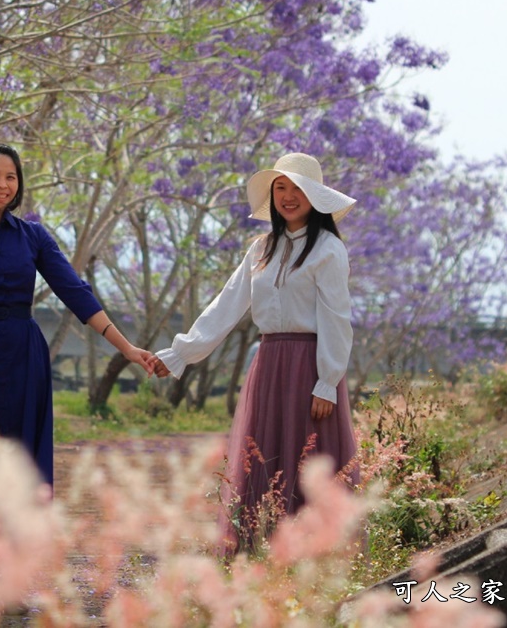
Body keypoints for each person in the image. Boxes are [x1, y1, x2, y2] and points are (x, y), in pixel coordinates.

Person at [0, 143, 155, 569]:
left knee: (19, 465)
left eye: (11, 177)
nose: (2, 185)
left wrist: (126, 347)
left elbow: (76, 293)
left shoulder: (33, 237)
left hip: (23, 361)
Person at [151, 152, 360, 554]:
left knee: (307, 458)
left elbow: (337, 318)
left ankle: (313, 552)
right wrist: (179, 355)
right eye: (280, 187)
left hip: (310, 365)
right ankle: (260, 546)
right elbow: (225, 306)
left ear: (315, 196)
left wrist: (327, 381)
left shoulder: (329, 250)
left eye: (297, 188)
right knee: (266, 454)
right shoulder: (261, 249)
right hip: (269, 363)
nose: (288, 196)